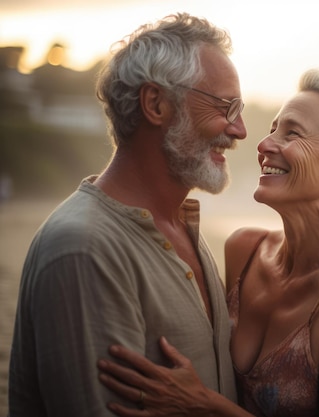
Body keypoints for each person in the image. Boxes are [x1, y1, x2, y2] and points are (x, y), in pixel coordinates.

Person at [96, 69, 319, 417]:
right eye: (271, 131)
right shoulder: (244, 250)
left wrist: (207, 407)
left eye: (292, 133)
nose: (264, 145)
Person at [8, 13, 247, 416]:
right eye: (226, 106)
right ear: (155, 103)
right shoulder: (84, 248)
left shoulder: (181, 227)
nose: (239, 129)